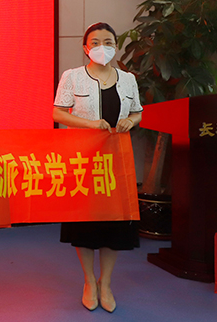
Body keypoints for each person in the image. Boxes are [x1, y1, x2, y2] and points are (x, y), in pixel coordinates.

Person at [52, 22, 143, 313]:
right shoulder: (73, 76)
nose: (101, 47)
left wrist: (130, 121)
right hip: (84, 160)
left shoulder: (127, 79)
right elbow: (58, 113)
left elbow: (138, 113)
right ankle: (89, 281)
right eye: (95, 42)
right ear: (85, 47)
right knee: (85, 224)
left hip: (116, 160)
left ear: (115, 46)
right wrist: (89, 124)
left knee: (114, 224)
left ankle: (106, 283)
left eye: (108, 42)